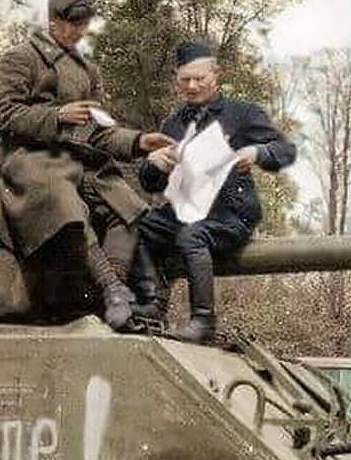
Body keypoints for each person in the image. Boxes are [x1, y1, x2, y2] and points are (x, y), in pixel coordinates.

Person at [0, 0, 172, 328]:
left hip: (80, 160)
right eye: (74, 23)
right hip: (32, 158)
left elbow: (99, 129)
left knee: (126, 207)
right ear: (54, 20)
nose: (80, 31)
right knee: (66, 204)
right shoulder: (22, 57)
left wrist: (140, 141)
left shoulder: (88, 71)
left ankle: (113, 293)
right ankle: (113, 288)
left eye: (85, 24)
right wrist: (57, 116)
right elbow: (5, 115)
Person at [126, 42, 296, 344]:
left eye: (199, 79)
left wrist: (257, 152)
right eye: (185, 80)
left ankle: (203, 320)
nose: (192, 86)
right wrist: (154, 164)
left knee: (192, 236)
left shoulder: (242, 114)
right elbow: (151, 184)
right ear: (177, 80)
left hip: (230, 214)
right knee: (142, 227)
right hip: (187, 209)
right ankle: (154, 304)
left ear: (215, 75)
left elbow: (284, 150)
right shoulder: (173, 123)